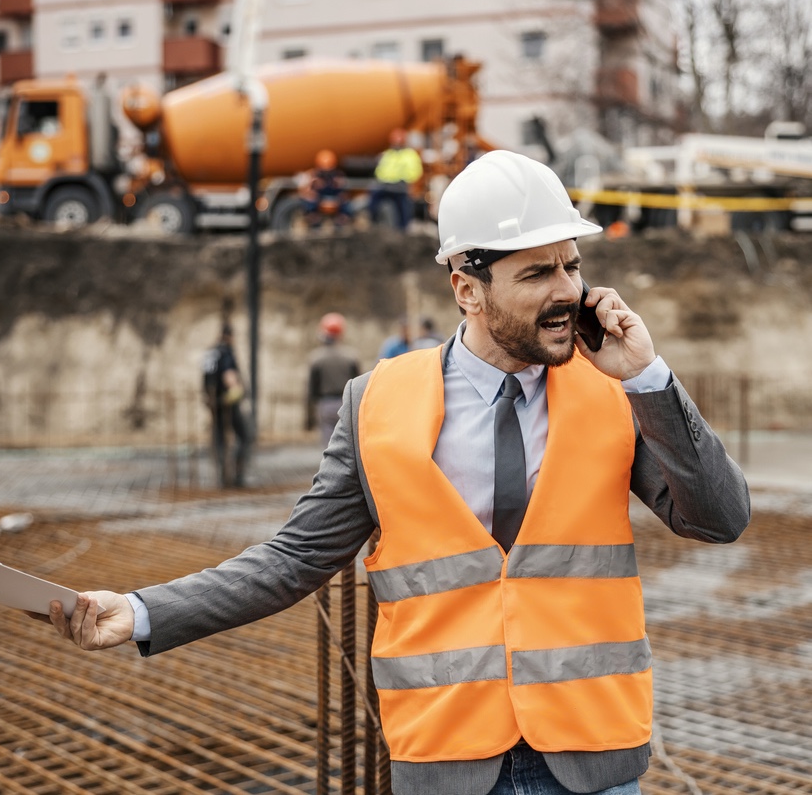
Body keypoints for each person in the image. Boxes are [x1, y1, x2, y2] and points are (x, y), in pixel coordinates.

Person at [37, 150, 750, 795]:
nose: (568, 289)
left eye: (571, 264)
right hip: (447, 763)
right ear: (467, 289)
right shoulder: (375, 401)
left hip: (594, 760)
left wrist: (649, 378)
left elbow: (719, 518)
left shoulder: (613, 389)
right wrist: (142, 612)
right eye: (537, 273)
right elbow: (294, 558)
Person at [201, 322, 251, 487]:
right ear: (229, 336)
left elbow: (206, 377)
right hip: (227, 402)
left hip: (212, 401)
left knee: (219, 438)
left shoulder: (210, 352)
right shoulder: (226, 352)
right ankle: (237, 476)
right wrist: (237, 391)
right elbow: (229, 375)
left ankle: (222, 477)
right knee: (244, 436)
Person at [306, 313, 361, 448]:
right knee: (349, 443)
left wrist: (309, 418)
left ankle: (331, 467)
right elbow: (358, 385)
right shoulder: (351, 357)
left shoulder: (316, 358)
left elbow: (312, 390)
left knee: (330, 445)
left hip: (326, 404)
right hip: (347, 403)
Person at [369, 128, 423, 231]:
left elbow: (416, 171)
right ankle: (373, 224)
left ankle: (403, 229)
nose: (396, 141)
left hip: (400, 186)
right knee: (373, 199)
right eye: (394, 139)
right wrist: (382, 181)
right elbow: (379, 170)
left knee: (403, 205)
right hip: (385, 185)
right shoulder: (387, 154)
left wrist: (403, 179)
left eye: (398, 138)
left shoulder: (410, 154)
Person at [299, 149, 352, 229]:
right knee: (309, 203)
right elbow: (305, 191)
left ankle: (341, 220)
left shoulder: (338, 175)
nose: (326, 172)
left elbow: (344, 191)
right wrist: (312, 190)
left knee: (345, 204)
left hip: (334, 198)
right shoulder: (314, 175)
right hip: (320, 199)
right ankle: (313, 219)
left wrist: (339, 189)